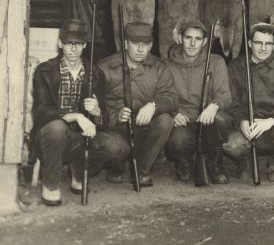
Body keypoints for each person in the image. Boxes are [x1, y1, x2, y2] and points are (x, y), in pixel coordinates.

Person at [31, 19, 126, 206]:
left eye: (78, 44)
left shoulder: (96, 73)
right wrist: (76, 116)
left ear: (84, 45)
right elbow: (42, 110)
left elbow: (104, 117)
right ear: (60, 44)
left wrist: (97, 111)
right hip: (51, 138)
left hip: (81, 139)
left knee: (117, 145)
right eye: (68, 43)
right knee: (57, 128)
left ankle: (79, 171)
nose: (73, 49)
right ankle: (50, 185)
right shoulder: (44, 70)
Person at [98, 22, 177, 187]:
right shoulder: (105, 67)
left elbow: (171, 98)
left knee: (165, 120)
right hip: (115, 129)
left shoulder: (159, 67)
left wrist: (153, 105)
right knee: (114, 146)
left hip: (143, 128)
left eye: (146, 44)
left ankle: (141, 170)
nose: (141, 49)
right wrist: (116, 115)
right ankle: (115, 169)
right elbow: (95, 106)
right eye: (135, 43)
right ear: (126, 43)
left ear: (151, 45)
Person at [223, 22, 274, 182]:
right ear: (250, 43)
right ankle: (243, 162)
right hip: (247, 124)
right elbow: (231, 100)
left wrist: (273, 119)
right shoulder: (236, 66)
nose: (263, 48)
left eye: (268, 43)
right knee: (233, 145)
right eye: (258, 42)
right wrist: (241, 120)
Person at [165, 19, 232, 183]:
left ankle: (214, 162)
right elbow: (161, 96)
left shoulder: (216, 62)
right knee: (176, 140)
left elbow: (225, 95)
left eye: (198, 39)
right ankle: (184, 162)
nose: (193, 44)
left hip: (207, 119)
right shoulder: (166, 65)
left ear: (205, 42)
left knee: (221, 120)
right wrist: (172, 113)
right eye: (188, 38)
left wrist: (214, 105)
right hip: (184, 120)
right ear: (180, 39)